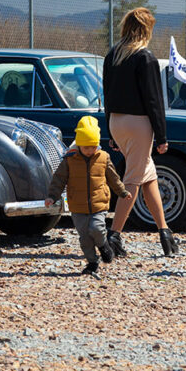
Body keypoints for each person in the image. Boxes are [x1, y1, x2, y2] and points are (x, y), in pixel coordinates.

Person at [102, 7, 179, 257]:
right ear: (146, 29)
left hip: (117, 121)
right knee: (133, 179)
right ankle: (113, 236)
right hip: (139, 124)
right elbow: (154, 100)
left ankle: (165, 233)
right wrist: (162, 135)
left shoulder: (113, 55)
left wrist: (111, 131)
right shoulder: (144, 57)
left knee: (148, 176)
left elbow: (107, 95)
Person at [45, 116, 133, 275]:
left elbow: (113, 177)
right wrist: (52, 196)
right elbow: (59, 179)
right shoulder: (70, 160)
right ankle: (92, 262)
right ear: (78, 144)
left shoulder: (103, 158)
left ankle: (103, 245)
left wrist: (122, 191)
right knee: (84, 237)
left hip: (99, 203)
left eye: (93, 147)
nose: (90, 151)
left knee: (97, 228)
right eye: (86, 147)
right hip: (77, 205)